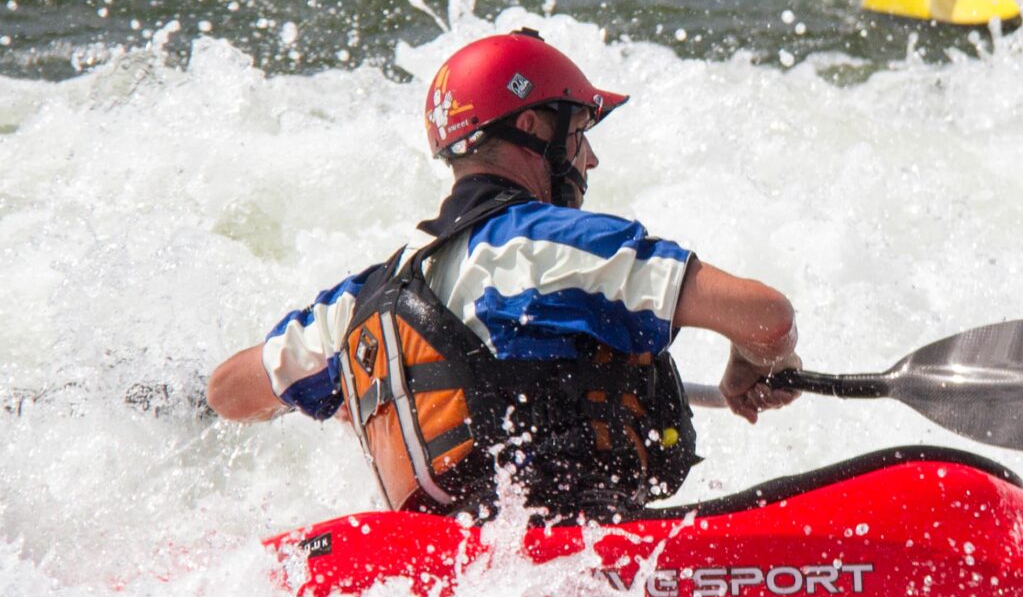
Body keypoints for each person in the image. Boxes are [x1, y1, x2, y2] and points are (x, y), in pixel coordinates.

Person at [206, 30, 800, 523]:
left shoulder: (366, 298)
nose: (590, 159)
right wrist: (755, 364)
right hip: (584, 557)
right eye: (579, 132)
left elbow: (228, 393)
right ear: (536, 128)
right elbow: (767, 316)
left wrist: (362, 395)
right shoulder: (557, 247)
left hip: (455, 581)